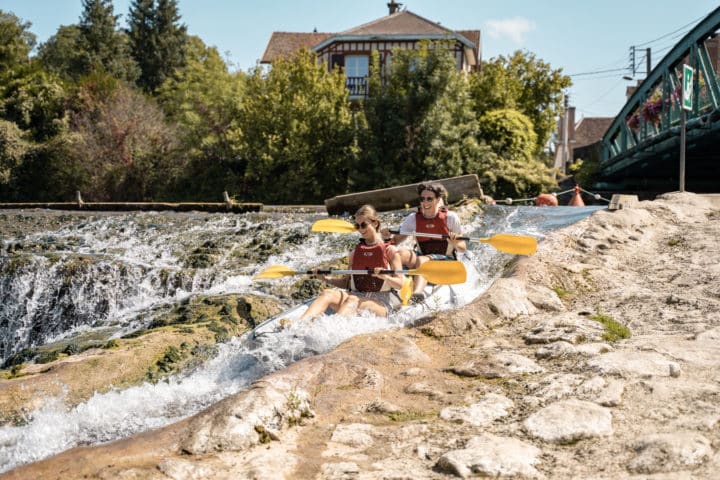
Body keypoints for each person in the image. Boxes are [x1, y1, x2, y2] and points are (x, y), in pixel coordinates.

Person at [300, 204, 405, 319]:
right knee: (327, 293)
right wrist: (325, 278)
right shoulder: (354, 253)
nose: (361, 229)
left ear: (375, 223)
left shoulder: (390, 251)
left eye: (364, 225)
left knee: (352, 300)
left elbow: (400, 284)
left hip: (382, 300)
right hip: (357, 296)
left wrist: (386, 277)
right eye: (357, 226)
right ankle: (299, 325)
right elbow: (347, 283)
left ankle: (332, 329)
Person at [382, 182, 467, 304]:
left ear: (438, 199)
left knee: (422, 260)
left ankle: (417, 294)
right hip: (423, 257)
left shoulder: (451, 218)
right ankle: (395, 285)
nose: (425, 202)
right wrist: (386, 237)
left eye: (429, 199)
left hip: (445, 262)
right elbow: (394, 242)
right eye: (422, 199)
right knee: (398, 253)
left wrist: (455, 243)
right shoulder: (413, 218)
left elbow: (463, 248)